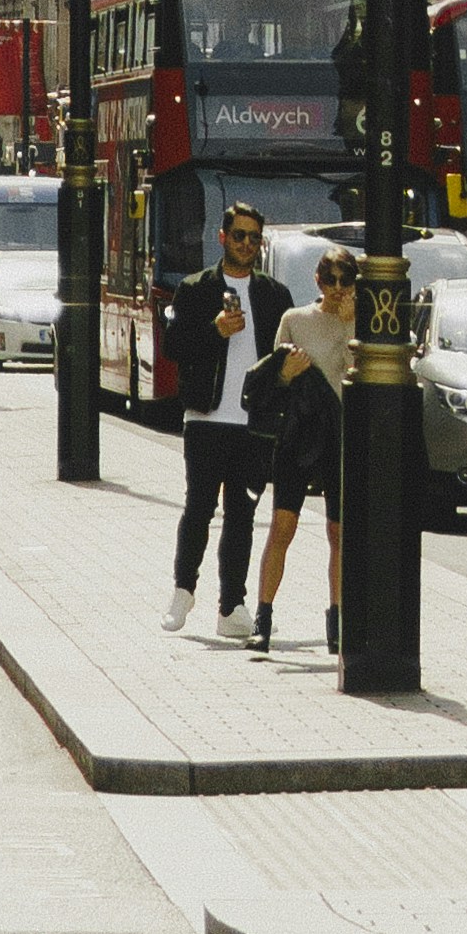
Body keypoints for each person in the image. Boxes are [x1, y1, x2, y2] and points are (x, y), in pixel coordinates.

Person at [164, 201, 286, 639]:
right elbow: (173, 347)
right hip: (206, 415)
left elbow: (281, 356)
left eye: (254, 238)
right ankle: (183, 590)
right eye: (239, 236)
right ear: (222, 237)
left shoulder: (274, 295)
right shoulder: (196, 289)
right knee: (199, 506)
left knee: (241, 515)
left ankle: (232, 605)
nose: (247, 244)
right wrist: (214, 330)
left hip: (253, 422)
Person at [248, 243, 359, 657]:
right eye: (329, 279)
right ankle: (263, 618)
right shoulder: (294, 319)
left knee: (339, 532)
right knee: (283, 525)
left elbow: (356, 373)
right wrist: (285, 374)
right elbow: (273, 379)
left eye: (345, 280)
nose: (336, 288)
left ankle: (337, 621)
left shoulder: (361, 322)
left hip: (340, 432)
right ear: (317, 280)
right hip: (299, 432)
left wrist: (348, 325)